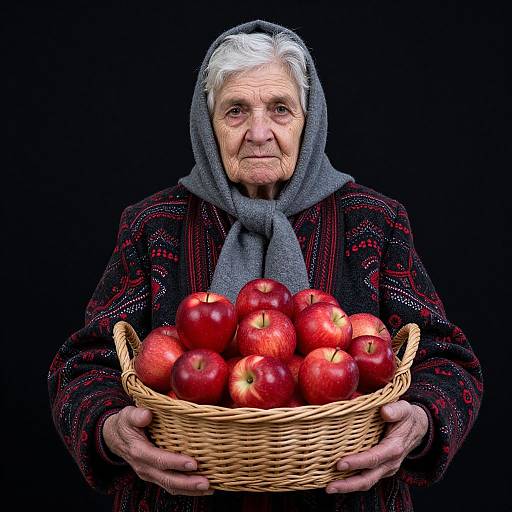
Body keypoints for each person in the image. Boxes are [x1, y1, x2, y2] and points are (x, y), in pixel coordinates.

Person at [48, 19, 483, 512]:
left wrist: (419, 423)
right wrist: (111, 430)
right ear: (206, 124)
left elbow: (448, 360)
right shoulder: (153, 225)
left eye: (280, 109)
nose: (260, 133)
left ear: (309, 118)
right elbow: (83, 366)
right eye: (236, 111)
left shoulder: (373, 222)